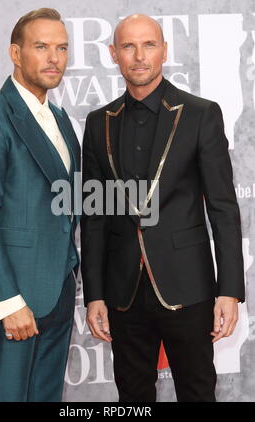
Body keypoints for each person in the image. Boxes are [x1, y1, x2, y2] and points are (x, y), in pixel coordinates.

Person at [81, 14, 245, 402]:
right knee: (133, 399)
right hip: (123, 293)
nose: (139, 56)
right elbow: (94, 216)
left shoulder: (201, 114)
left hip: (189, 288)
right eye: (128, 46)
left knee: (197, 392)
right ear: (113, 55)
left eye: (149, 45)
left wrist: (230, 291)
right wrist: (94, 294)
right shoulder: (97, 123)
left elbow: (222, 207)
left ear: (164, 51)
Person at [0, 8, 80, 402]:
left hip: (58, 294)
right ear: (15, 52)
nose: (53, 58)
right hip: (13, 302)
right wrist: (8, 301)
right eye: (41, 47)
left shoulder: (61, 120)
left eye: (61, 48)